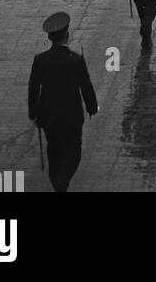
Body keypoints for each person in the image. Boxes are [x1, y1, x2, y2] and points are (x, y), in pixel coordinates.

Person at [27, 12, 98, 194]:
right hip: (71, 115)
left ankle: (57, 180)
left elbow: (33, 88)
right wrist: (92, 107)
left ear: (50, 37)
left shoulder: (40, 60)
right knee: (73, 150)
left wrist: (33, 113)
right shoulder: (75, 60)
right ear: (66, 35)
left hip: (49, 115)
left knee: (54, 150)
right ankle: (62, 181)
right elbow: (86, 87)